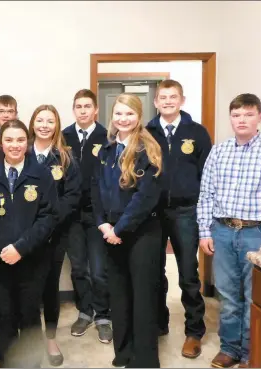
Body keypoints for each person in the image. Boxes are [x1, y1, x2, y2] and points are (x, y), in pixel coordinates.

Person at [197, 93, 261, 369]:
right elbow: (206, 194)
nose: (242, 120)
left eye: (248, 114)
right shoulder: (219, 151)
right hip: (223, 231)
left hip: (258, 234)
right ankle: (229, 349)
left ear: (259, 117)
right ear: (231, 119)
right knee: (229, 297)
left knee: (255, 297)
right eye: (236, 115)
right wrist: (205, 232)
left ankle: (250, 353)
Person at [92, 93, 163, 368]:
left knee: (142, 297)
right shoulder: (107, 150)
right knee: (119, 296)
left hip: (141, 233)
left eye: (129, 114)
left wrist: (119, 229)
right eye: (118, 114)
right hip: (111, 232)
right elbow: (95, 190)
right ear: (112, 116)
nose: (123, 119)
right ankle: (122, 352)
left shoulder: (148, 149)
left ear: (138, 116)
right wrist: (102, 223)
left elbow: (144, 198)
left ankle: (144, 360)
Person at [0, 120, 57, 367]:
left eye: (21, 140)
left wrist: (21, 248)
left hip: (33, 259)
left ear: (28, 143)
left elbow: (48, 216)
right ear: (1, 143)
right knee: (5, 316)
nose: (15, 145)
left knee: (30, 315)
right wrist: (3, 249)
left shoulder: (42, 175)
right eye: (9, 140)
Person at [145, 79, 211, 357]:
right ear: (156, 102)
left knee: (187, 274)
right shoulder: (146, 132)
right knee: (153, 272)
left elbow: (208, 176)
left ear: (182, 100)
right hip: (153, 213)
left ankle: (193, 331)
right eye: (163, 97)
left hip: (186, 212)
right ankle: (159, 323)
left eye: (173, 97)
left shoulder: (196, 133)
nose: (168, 101)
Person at [29, 105, 81, 366]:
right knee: (24, 287)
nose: (45, 125)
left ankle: (50, 338)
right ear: (32, 123)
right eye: (40, 120)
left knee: (50, 287)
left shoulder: (65, 158)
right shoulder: (19, 150)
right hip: (22, 236)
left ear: (57, 125)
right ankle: (26, 338)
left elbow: (72, 196)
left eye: (50, 121)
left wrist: (48, 221)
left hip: (53, 234)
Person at [62, 89, 112, 343]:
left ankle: (103, 315)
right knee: (79, 268)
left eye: (87, 106)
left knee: (100, 269)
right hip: (71, 215)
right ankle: (85, 311)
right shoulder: (64, 136)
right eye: (78, 106)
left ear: (96, 110)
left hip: (98, 214)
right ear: (74, 110)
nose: (82, 110)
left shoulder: (107, 136)